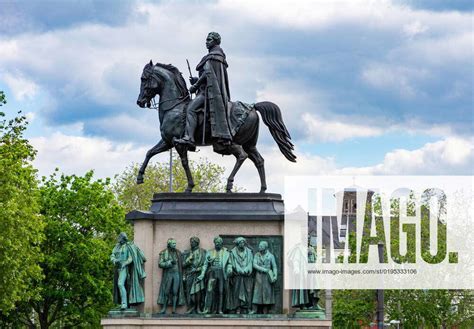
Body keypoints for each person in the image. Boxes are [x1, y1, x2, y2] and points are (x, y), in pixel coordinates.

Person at [175, 32, 232, 148]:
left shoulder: (214, 56)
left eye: (209, 40)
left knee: (190, 109)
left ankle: (189, 137)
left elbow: (208, 74)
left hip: (209, 93)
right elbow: (209, 76)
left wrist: (195, 85)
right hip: (205, 89)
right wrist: (196, 80)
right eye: (206, 40)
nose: (206, 42)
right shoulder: (215, 56)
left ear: (215, 41)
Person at [110, 232, 147, 310]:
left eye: (120, 239)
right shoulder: (117, 246)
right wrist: (114, 260)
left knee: (120, 284)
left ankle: (124, 303)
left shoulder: (129, 246)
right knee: (120, 285)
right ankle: (123, 303)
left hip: (125, 268)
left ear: (124, 239)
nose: (119, 241)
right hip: (118, 268)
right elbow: (112, 255)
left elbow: (131, 258)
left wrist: (125, 263)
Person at [197, 236, 232, 314]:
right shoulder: (209, 252)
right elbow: (205, 264)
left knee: (220, 291)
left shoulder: (226, 253)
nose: (218, 244)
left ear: (222, 243)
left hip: (221, 273)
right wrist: (202, 274)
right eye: (216, 243)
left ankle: (220, 309)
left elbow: (229, 263)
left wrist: (229, 269)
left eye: (219, 243)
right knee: (209, 290)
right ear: (214, 243)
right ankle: (207, 309)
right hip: (212, 272)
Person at [157, 238, 186, 314]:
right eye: (173, 243)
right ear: (169, 244)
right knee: (166, 291)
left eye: (175, 243)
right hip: (168, 274)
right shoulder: (163, 253)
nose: (174, 245)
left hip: (177, 274)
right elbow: (160, 264)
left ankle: (174, 309)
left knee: (175, 291)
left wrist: (188, 261)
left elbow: (183, 264)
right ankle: (164, 308)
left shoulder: (178, 253)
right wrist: (170, 262)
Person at [228, 237, 254, 314]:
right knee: (236, 291)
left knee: (248, 291)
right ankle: (237, 308)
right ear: (237, 244)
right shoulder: (232, 252)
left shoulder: (249, 252)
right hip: (237, 276)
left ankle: (248, 307)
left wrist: (247, 269)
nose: (242, 244)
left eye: (243, 242)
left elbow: (251, 262)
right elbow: (232, 262)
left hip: (247, 276)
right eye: (241, 243)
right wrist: (238, 269)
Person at [251, 241, 277, 314]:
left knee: (266, 293)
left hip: (267, 277)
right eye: (259, 246)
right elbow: (254, 265)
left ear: (265, 247)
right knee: (257, 293)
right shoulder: (257, 255)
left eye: (261, 246)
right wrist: (264, 269)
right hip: (259, 277)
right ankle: (254, 309)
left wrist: (275, 275)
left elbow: (274, 266)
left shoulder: (271, 256)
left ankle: (265, 310)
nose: (259, 247)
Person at [183, 236, 207, 314]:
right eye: (191, 242)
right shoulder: (187, 252)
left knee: (198, 292)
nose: (191, 243)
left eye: (193, 242)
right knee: (189, 291)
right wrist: (188, 260)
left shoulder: (203, 252)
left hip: (199, 274)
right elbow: (183, 265)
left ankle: (198, 308)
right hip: (189, 274)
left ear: (197, 243)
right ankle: (190, 307)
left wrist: (197, 269)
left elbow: (205, 264)